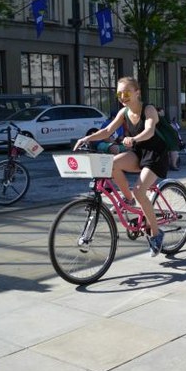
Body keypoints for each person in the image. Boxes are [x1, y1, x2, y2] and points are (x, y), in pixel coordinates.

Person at [74, 76, 168, 256]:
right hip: (138, 152)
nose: (122, 97)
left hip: (155, 154)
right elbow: (108, 131)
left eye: (126, 93)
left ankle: (156, 235)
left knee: (140, 191)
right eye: (119, 93)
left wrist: (134, 138)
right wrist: (86, 138)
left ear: (137, 92)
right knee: (112, 164)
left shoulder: (148, 109)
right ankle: (128, 198)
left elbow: (149, 130)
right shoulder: (124, 112)